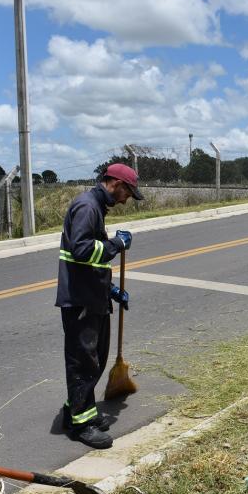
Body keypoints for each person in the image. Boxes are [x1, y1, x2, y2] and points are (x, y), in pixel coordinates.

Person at [55, 163, 143, 448]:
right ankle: (80, 424)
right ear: (116, 184)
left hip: (93, 295)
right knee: (84, 361)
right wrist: (117, 243)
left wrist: (111, 290)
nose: (127, 199)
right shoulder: (87, 207)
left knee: (95, 358)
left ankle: (80, 410)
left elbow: (93, 260)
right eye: (128, 193)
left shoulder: (96, 208)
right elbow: (81, 250)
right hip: (80, 300)